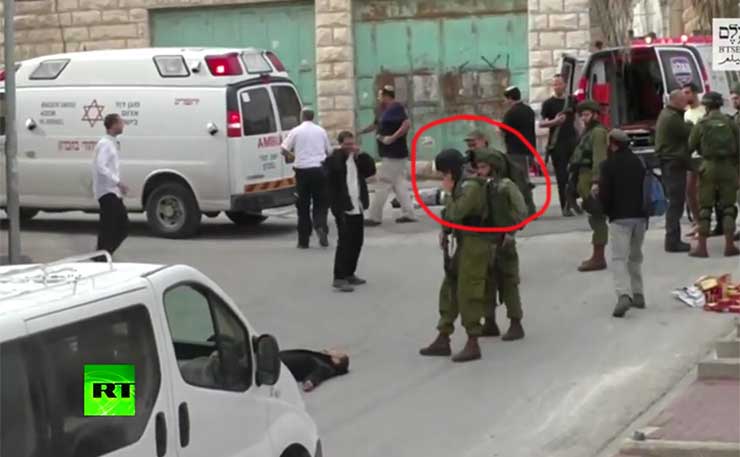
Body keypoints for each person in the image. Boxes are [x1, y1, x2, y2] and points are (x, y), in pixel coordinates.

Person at [419, 149, 488, 362]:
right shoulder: (461, 186)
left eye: (443, 174)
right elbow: (449, 217)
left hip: (477, 244)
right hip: (463, 242)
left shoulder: (472, 187)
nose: (442, 178)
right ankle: (443, 335)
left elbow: (456, 214)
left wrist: (448, 195)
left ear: (450, 171)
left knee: (468, 291)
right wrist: (446, 231)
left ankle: (473, 341)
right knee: (449, 287)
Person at [474, 148, 528, 340]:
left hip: (504, 240)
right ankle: (489, 321)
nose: (479, 171)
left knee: (509, 281)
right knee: (486, 282)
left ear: (494, 167)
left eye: (483, 167)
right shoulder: (479, 186)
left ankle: (516, 322)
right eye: (478, 167)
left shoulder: (506, 186)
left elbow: (522, 211)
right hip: (485, 241)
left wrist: (511, 233)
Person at [598, 129, 648, 318]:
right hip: (641, 217)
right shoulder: (639, 162)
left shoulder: (608, 165)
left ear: (613, 144)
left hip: (619, 217)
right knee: (635, 257)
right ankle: (638, 294)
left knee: (619, 258)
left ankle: (623, 295)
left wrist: (604, 210)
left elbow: (605, 194)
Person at [687, 91, 740, 257]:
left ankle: (702, 248)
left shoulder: (701, 123)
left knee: (705, 208)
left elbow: (690, 147)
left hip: (708, 166)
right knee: (729, 208)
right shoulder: (731, 123)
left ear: (706, 105)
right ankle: (729, 246)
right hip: (728, 168)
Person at [325, 131, 376, 292]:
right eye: (347, 145)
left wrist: (360, 156)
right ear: (341, 145)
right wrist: (342, 154)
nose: (350, 147)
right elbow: (331, 171)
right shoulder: (335, 160)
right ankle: (339, 277)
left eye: (352, 144)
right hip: (342, 206)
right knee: (345, 242)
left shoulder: (357, 160)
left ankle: (350, 273)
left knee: (357, 241)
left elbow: (371, 171)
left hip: (357, 205)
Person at [361, 86, 417, 226]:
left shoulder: (396, 108)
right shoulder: (382, 110)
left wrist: (392, 138)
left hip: (394, 153)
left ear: (387, 96)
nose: (378, 98)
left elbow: (406, 124)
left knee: (383, 183)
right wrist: (361, 132)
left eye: (380, 95)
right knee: (399, 184)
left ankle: (375, 216)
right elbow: (375, 125)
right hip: (389, 153)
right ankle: (409, 213)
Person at [281, 108, 332, 249]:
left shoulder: (296, 131)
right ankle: (320, 225)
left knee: (302, 206)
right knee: (320, 203)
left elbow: (283, 149)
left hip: (302, 171)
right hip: (319, 170)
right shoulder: (321, 131)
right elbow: (329, 151)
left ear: (301, 116)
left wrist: (292, 156)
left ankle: (303, 240)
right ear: (313, 117)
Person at [570, 100, 609, 271]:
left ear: (594, 115)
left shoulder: (598, 132)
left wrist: (596, 182)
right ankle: (597, 255)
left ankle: (599, 257)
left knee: (597, 216)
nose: (584, 118)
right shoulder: (588, 131)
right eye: (582, 115)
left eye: (586, 115)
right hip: (583, 177)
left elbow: (599, 159)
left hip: (590, 178)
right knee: (593, 215)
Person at [683, 82, 723, 237]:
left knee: (706, 192)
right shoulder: (686, 113)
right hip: (691, 157)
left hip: (703, 157)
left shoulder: (704, 112)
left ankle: (709, 225)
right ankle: (697, 223)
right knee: (690, 191)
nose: (685, 95)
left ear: (694, 93)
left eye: (687, 92)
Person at [655, 89, 692, 252]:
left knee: (675, 202)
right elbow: (688, 132)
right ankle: (672, 241)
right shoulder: (672, 118)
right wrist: (691, 123)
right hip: (673, 162)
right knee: (676, 203)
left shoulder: (667, 114)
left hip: (669, 161)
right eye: (684, 100)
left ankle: (673, 239)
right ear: (676, 101)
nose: (687, 103)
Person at [540, 74, 579, 217]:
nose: (557, 87)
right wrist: (554, 122)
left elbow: (578, 120)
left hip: (572, 141)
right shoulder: (548, 103)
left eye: (559, 84)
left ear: (565, 85)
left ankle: (573, 201)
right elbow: (541, 123)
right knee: (562, 177)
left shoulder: (572, 101)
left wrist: (581, 137)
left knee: (577, 173)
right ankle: (565, 206)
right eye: (555, 84)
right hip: (557, 144)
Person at [92, 113, 129, 260]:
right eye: (121, 123)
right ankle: (102, 255)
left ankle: (101, 254)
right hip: (107, 192)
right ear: (114, 125)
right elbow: (100, 166)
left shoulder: (111, 142)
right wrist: (117, 182)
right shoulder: (105, 144)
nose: (123, 125)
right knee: (119, 225)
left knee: (112, 225)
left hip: (112, 191)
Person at [502, 86, 537, 184]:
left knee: (518, 179)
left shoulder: (511, 113)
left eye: (505, 99)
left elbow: (504, 129)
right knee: (525, 178)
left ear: (510, 98)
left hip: (516, 151)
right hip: (529, 149)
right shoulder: (529, 110)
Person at [279, 349, 350, 392]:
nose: (336, 350)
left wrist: (310, 382)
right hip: (280, 359)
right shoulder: (323, 360)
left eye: (338, 353)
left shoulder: (325, 367)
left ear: (336, 360)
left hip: (281, 365)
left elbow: (317, 375)